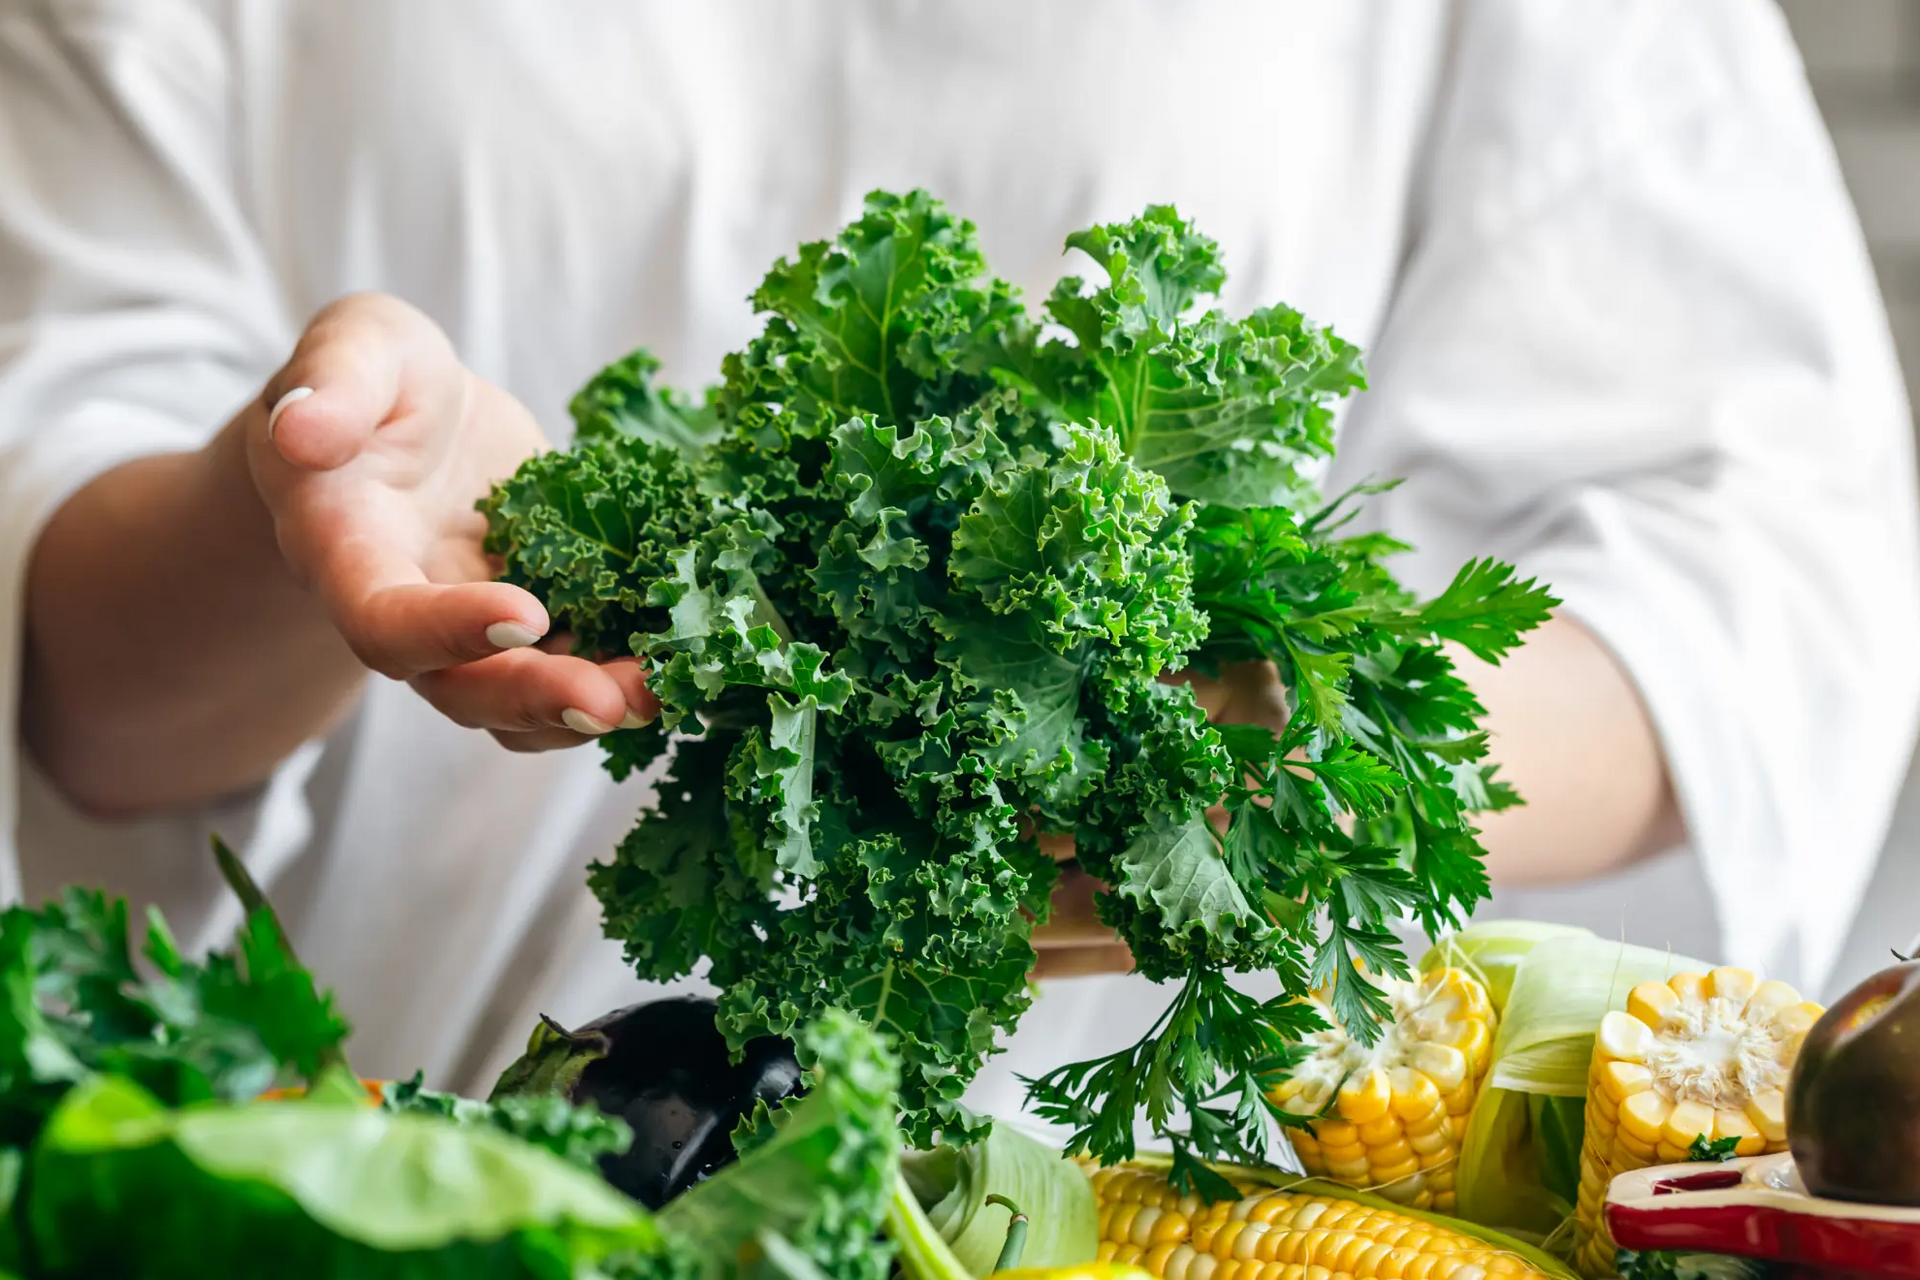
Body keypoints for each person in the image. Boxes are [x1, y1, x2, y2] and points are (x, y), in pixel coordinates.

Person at [2, 0, 1914, 1122]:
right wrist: (310, 498)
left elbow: (1765, 547)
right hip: (426, 1152)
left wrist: (1295, 746)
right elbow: (57, 649)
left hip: (1174, 1192)